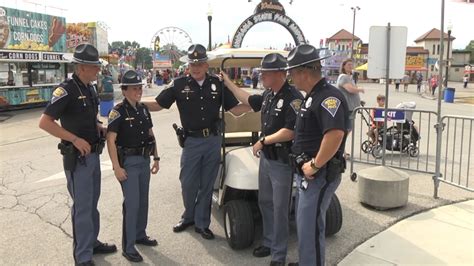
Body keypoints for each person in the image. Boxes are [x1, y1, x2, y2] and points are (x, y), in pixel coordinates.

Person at [143, 44, 250, 240]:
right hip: (191, 141)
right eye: (193, 63)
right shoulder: (178, 84)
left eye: (199, 63)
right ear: (189, 64)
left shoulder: (217, 84)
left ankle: (202, 223)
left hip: (212, 141)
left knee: (207, 184)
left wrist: (256, 105)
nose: (196, 67)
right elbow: (159, 104)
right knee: (187, 182)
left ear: (206, 64)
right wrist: (136, 103)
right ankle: (188, 217)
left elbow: (234, 108)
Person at [221, 53, 303, 266]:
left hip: (282, 162)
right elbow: (246, 99)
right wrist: (228, 82)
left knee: (279, 208)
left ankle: (278, 255)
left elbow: (290, 131)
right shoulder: (269, 94)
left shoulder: (293, 97)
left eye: (265, 73)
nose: (262, 76)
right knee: (265, 202)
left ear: (279, 73)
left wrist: (264, 141)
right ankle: (269, 241)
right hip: (267, 159)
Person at [38, 43, 117, 266]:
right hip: (77, 159)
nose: (98, 70)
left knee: (92, 204)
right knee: (82, 207)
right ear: (81, 67)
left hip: (93, 154)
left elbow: (86, 117)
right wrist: (73, 138)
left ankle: (92, 242)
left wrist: (97, 126)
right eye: (94, 67)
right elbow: (45, 122)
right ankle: (82, 256)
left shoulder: (90, 88)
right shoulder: (67, 90)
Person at [286, 44, 348, 266]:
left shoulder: (328, 97)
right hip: (309, 175)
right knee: (305, 225)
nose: (291, 77)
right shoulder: (313, 96)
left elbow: (335, 134)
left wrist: (314, 164)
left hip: (318, 175)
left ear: (303, 72)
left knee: (310, 227)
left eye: (292, 72)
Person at [106, 70, 159, 262]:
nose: (138, 91)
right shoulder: (117, 111)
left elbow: (151, 135)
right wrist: (116, 167)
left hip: (144, 160)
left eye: (140, 87)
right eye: (134, 88)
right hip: (128, 163)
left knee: (143, 201)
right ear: (125, 90)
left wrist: (157, 158)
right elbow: (110, 140)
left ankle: (140, 234)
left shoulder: (143, 109)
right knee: (132, 204)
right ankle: (128, 247)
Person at [337, 58, 364, 158]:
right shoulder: (343, 77)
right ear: (343, 66)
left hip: (351, 107)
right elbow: (350, 89)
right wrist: (360, 89)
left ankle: (341, 150)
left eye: (351, 65)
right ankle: (340, 150)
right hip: (347, 108)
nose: (350, 67)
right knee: (346, 129)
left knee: (347, 129)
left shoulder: (349, 77)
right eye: (348, 65)